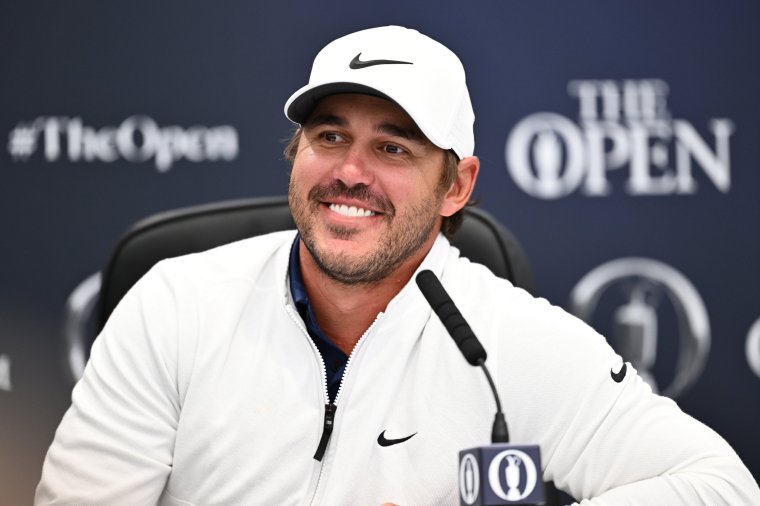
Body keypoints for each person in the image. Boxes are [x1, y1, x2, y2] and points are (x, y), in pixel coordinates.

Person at [36, 25, 759, 505]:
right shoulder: (176, 305)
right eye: (329, 136)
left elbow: (723, 486)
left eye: (393, 147)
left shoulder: (506, 340)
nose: (350, 172)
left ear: (457, 186)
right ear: (296, 155)